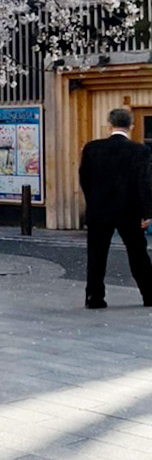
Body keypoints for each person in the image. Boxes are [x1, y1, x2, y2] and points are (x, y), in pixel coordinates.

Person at [78, 106, 152, 309]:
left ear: (109, 125)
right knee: (137, 253)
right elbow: (144, 183)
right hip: (129, 211)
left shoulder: (92, 148)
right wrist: (147, 213)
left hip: (99, 210)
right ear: (131, 126)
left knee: (96, 255)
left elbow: (84, 178)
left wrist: (93, 200)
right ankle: (149, 294)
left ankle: (94, 297)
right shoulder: (140, 151)